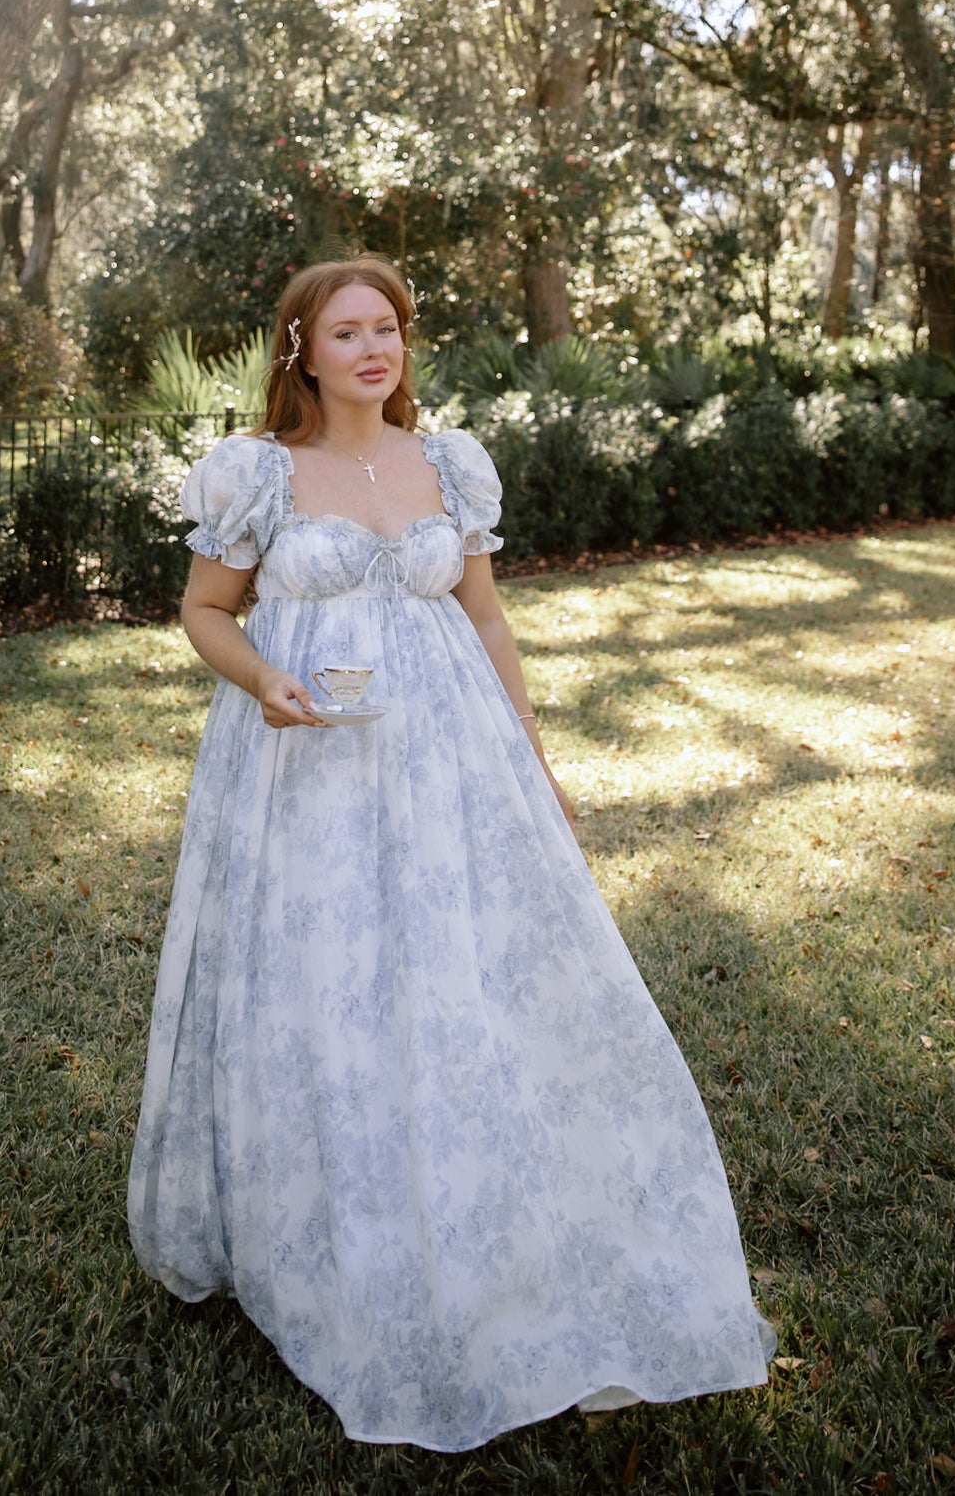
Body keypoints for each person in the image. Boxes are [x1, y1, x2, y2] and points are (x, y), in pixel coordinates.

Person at [127, 255, 775, 1451]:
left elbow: (481, 614)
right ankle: (331, 1223)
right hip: (308, 768)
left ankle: (502, 1210)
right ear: (300, 350)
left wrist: (530, 755)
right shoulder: (258, 472)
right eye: (346, 331)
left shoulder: (446, 462)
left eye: (387, 327)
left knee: (470, 975)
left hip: (452, 762)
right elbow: (204, 611)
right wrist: (263, 678)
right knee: (334, 984)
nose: (373, 347)